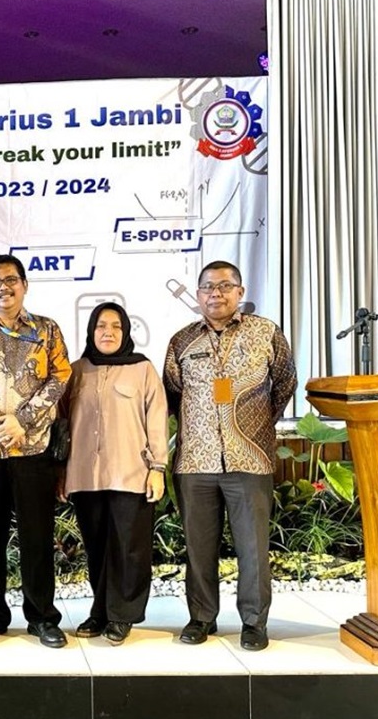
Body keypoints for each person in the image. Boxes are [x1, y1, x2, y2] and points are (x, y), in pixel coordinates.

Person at [162, 260, 296, 651]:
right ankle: (201, 618)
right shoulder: (182, 341)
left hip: (250, 458)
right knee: (199, 546)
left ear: (240, 291)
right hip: (195, 462)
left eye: (224, 286)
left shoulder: (266, 332)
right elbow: (173, 393)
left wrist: (254, 422)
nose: (215, 294)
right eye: (207, 287)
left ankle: (254, 623)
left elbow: (285, 381)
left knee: (253, 546)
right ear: (198, 294)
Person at [0, 253, 72, 648]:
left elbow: (60, 377)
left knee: (38, 536)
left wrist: (22, 419)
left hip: (33, 447)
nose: (3, 288)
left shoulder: (47, 330)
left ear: (24, 284)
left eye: (10, 280)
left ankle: (41, 617)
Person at [60, 302, 168, 645]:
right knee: (97, 547)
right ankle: (101, 609)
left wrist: (158, 468)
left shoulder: (142, 370)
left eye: (116, 326)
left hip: (131, 473)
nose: (108, 332)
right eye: (101, 326)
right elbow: (62, 425)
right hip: (85, 476)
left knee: (129, 547)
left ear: (126, 332)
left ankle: (123, 614)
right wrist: (59, 472)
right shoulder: (76, 371)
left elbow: (157, 419)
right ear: (91, 331)